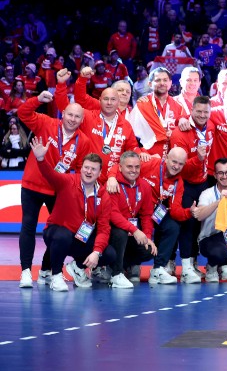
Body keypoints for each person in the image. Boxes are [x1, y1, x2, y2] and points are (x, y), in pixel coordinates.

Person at [17, 91, 91, 288]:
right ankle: (25, 272)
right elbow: (22, 113)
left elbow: (79, 170)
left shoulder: (83, 141)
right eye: (70, 114)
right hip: (32, 185)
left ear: (82, 120)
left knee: (59, 231)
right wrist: (37, 100)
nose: (73, 119)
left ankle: (46, 271)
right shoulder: (45, 123)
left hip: (57, 191)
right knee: (28, 226)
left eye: (77, 116)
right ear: (62, 113)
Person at [30, 138, 116, 291]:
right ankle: (56, 275)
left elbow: (104, 228)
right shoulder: (68, 181)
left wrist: (96, 252)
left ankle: (77, 266)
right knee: (62, 235)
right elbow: (50, 175)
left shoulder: (103, 196)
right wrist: (41, 159)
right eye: (86, 167)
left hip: (80, 238)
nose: (89, 172)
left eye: (93, 169)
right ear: (81, 168)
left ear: (99, 173)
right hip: (56, 233)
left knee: (108, 253)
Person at [54, 67, 139, 183]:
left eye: (127, 91)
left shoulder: (131, 118)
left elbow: (132, 150)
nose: (109, 102)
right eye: (120, 91)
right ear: (100, 100)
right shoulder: (90, 116)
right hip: (87, 176)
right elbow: (68, 107)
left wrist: (143, 154)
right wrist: (62, 84)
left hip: (113, 179)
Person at [169, 96, 213, 283]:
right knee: (186, 224)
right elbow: (178, 167)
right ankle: (184, 267)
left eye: (206, 112)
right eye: (199, 112)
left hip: (203, 182)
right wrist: (199, 159)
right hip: (184, 184)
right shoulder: (180, 132)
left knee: (197, 225)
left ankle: (193, 263)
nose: (202, 115)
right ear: (192, 111)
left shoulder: (210, 127)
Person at [106, 151, 157, 288]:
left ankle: (125, 265)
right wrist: (134, 230)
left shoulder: (144, 186)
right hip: (113, 231)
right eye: (129, 167)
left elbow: (146, 214)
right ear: (120, 167)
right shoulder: (113, 185)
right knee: (120, 233)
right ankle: (116, 273)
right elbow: (113, 215)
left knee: (148, 250)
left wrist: (146, 236)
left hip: (131, 231)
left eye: (137, 167)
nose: (133, 170)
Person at [130, 67, 184, 158]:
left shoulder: (179, 106)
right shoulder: (142, 105)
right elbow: (130, 135)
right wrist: (140, 152)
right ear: (150, 84)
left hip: (172, 160)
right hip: (148, 159)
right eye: (158, 80)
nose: (162, 83)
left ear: (170, 83)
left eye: (165, 80)